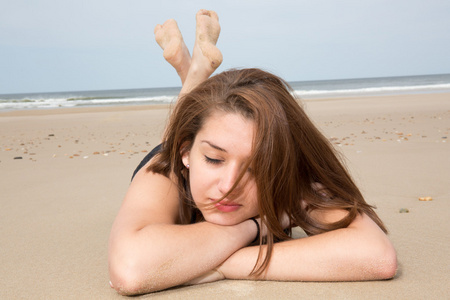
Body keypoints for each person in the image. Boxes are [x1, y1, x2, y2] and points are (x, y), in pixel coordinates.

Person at [108, 9, 397, 296]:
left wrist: (223, 265)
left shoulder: (287, 175)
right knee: (175, 136)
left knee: (202, 127)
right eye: (215, 160)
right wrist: (253, 228)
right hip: (178, 155)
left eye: (256, 167)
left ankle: (193, 71)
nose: (229, 186)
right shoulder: (168, 170)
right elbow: (131, 271)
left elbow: (377, 256)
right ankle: (193, 75)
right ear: (189, 155)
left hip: (202, 142)